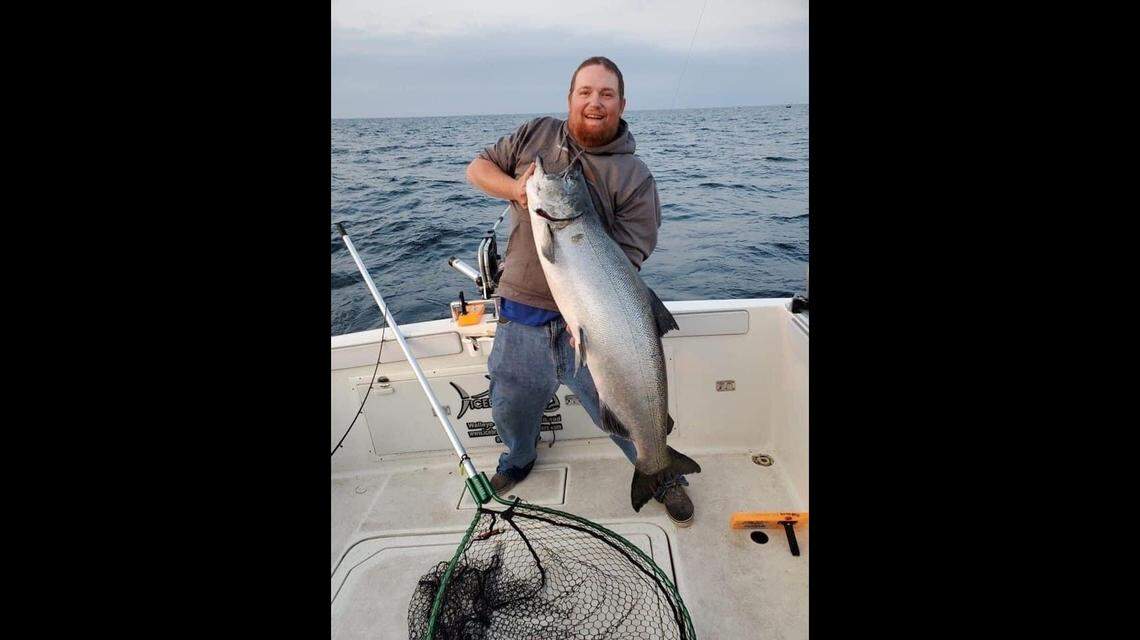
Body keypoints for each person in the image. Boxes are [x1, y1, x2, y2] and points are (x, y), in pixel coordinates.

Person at [465, 56, 694, 526]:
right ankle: (518, 460)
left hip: (596, 327)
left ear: (621, 104)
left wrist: (592, 316)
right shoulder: (535, 135)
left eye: (606, 94)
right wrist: (515, 189)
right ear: (570, 98)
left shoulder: (635, 176)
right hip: (521, 313)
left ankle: (660, 469)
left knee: (621, 408)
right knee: (511, 404)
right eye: (585, 92)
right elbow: (478, 169)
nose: (595, 102)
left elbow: (628, 258)